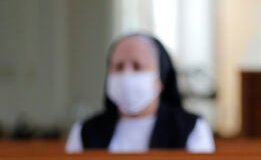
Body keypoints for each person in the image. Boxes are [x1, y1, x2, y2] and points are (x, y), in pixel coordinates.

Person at [65, 33, 215, 153]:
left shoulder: (192, 129)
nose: (126, 75)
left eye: (137, 66)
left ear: (160, 78)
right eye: (118, 67)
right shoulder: (84, 132)